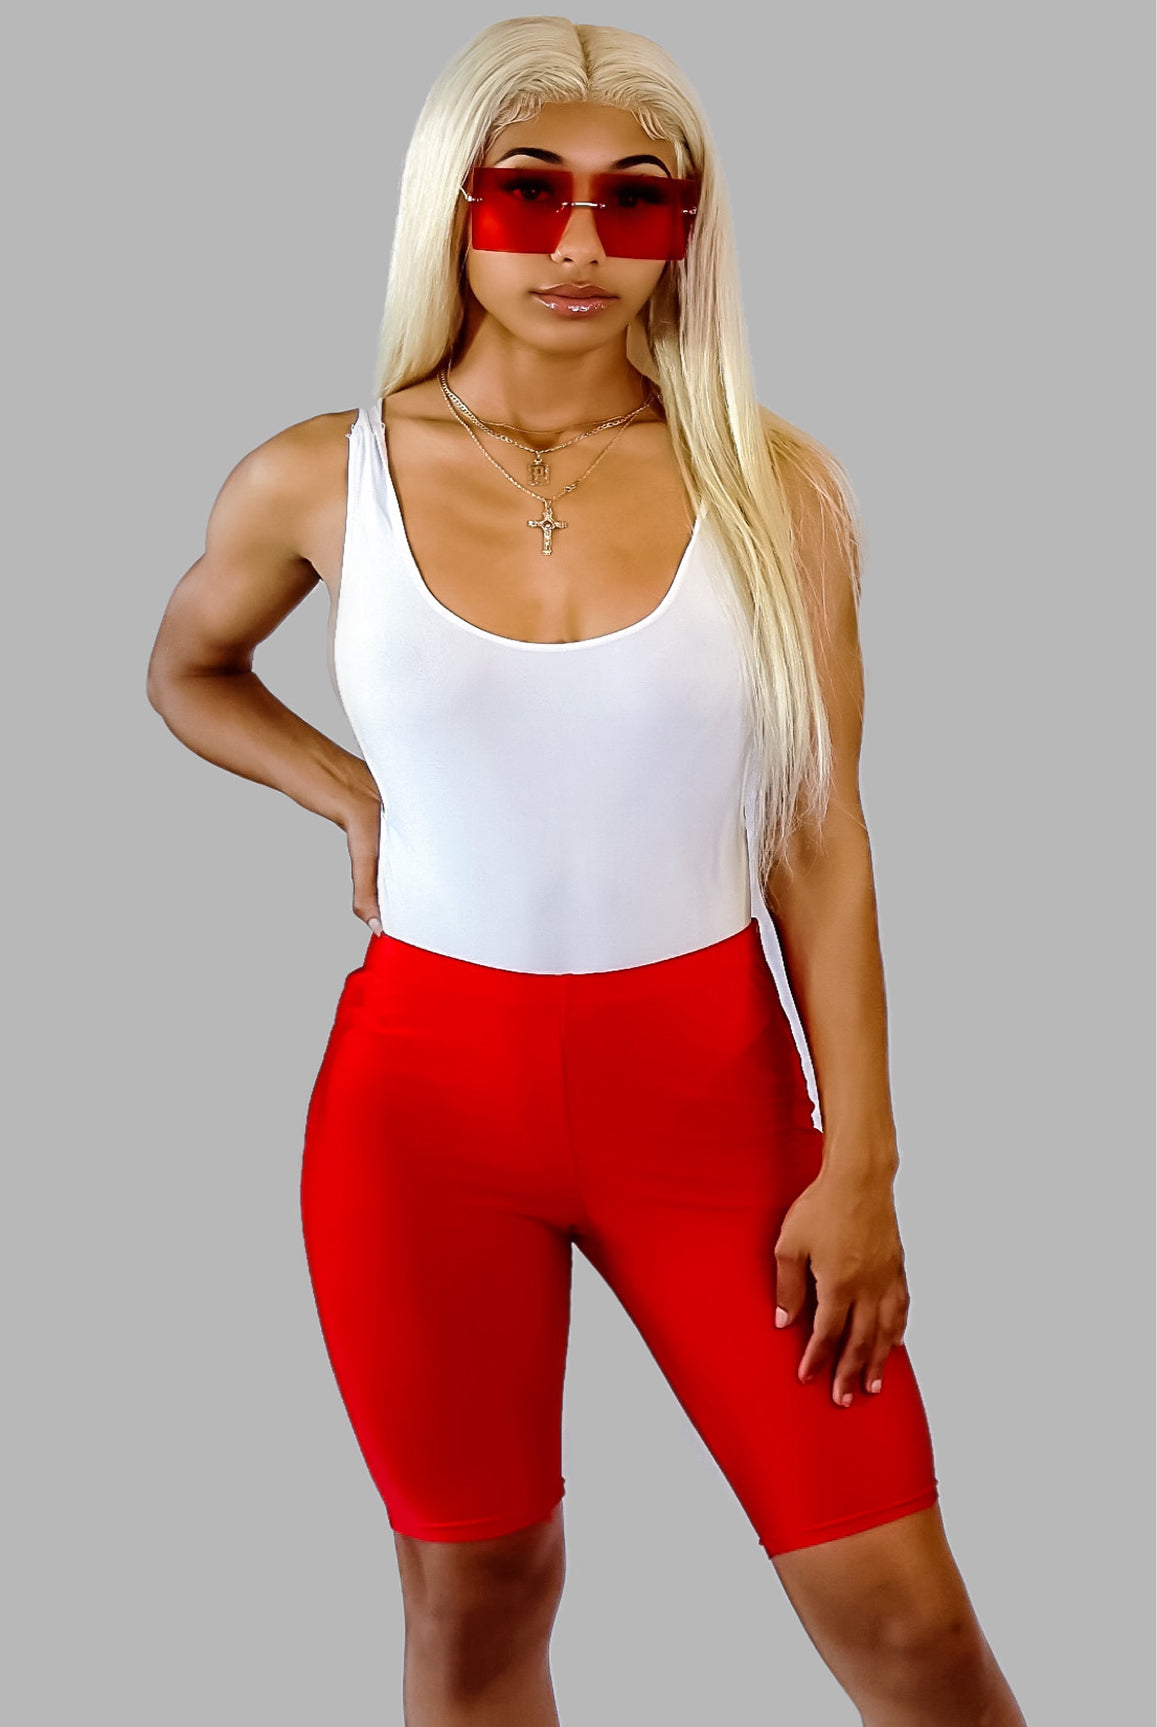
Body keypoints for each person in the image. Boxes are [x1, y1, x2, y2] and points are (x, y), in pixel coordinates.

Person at [146, 16, 1028, 1725]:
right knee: (477, 1599)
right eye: (528, 191)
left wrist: (862, 1161)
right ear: (451, 208)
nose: (576, 244)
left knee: (901, 1618)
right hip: (420, 1107)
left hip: (711, 1099)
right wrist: (344, 793)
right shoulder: (318, 476)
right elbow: (186, 670)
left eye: (635, 201)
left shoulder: (775, 490)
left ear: (686, 231)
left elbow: (818, 835)